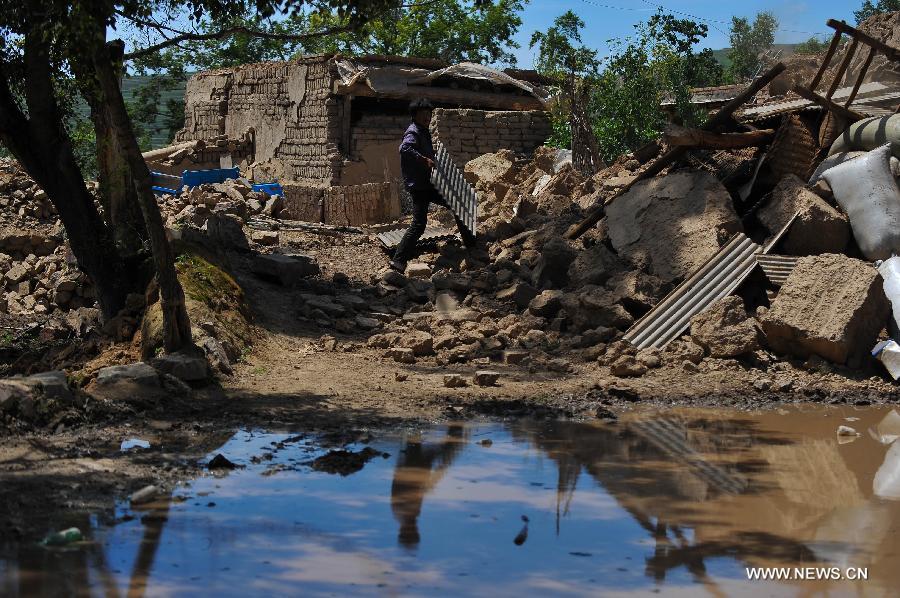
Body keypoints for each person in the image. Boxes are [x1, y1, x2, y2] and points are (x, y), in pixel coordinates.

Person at [390, 98, 476, 272]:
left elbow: (423, 151)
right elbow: (405, 149)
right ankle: (398, 261)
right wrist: (424, 159)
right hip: (419, 187)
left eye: (429, 114)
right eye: (423, 114)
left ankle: (471, 244)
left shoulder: (423, 131)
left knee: (455, 204)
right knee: (419, 224)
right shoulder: (413, 131)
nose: (427, 117)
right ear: (415, 115)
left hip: (427, 184)